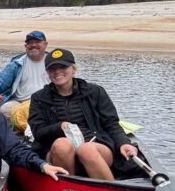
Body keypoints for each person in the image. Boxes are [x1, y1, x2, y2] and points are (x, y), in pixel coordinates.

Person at [29, 48, 139, 181]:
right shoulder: (39, 98)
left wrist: (124, 143)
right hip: (56, 152)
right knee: (62, 144)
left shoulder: (95, 91)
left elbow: (111, 123)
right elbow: (38, 133)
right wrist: (59, 127)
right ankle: (70, 189)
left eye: (63, 66)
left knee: (86, 149)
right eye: (52, 68)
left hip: (96, 145)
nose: (57, 71)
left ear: (73, 69)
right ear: (48, 73)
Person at [0, 30, 50, 118]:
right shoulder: (16, 64)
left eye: (37, 42)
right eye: (30, 43)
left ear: (45, 44)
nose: (34, 45)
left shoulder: (54, 63)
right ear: (26, 46)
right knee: (4, 110)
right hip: (20, 102)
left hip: (47, 102)